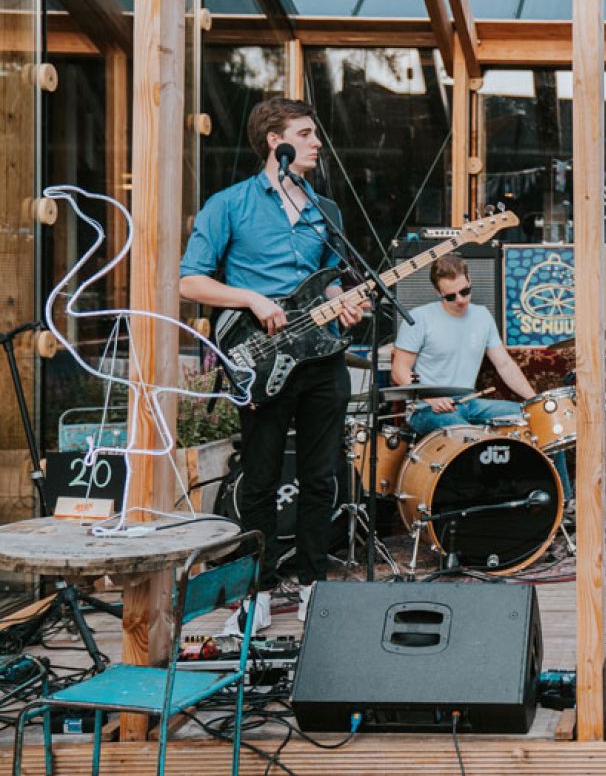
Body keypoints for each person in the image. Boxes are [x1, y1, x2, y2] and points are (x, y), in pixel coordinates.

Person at [179, 97, 366, 634]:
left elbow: (328, 280)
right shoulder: (230, 205)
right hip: (259, 360)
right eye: (305, 134)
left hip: (322, 357)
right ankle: (252, 595)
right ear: (275, 142)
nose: (316, 143)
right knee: (258, 478)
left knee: (321, 476)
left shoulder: (324, 210)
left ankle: (313, 587)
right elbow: (190, 281)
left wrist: (347, 302)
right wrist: (251, 300)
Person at [391, 253, 539, 436]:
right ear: (438, 293)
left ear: (469, 280)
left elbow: (505, 365)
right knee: (466, 435)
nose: (460, 300)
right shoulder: (418, 319)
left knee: (539, 420)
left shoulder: (482, 316)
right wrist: (429, 397)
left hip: (470, 402)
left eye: (465, 291)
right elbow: (400, 370)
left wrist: (535, 401)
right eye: (451, 296)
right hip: (425, 409)